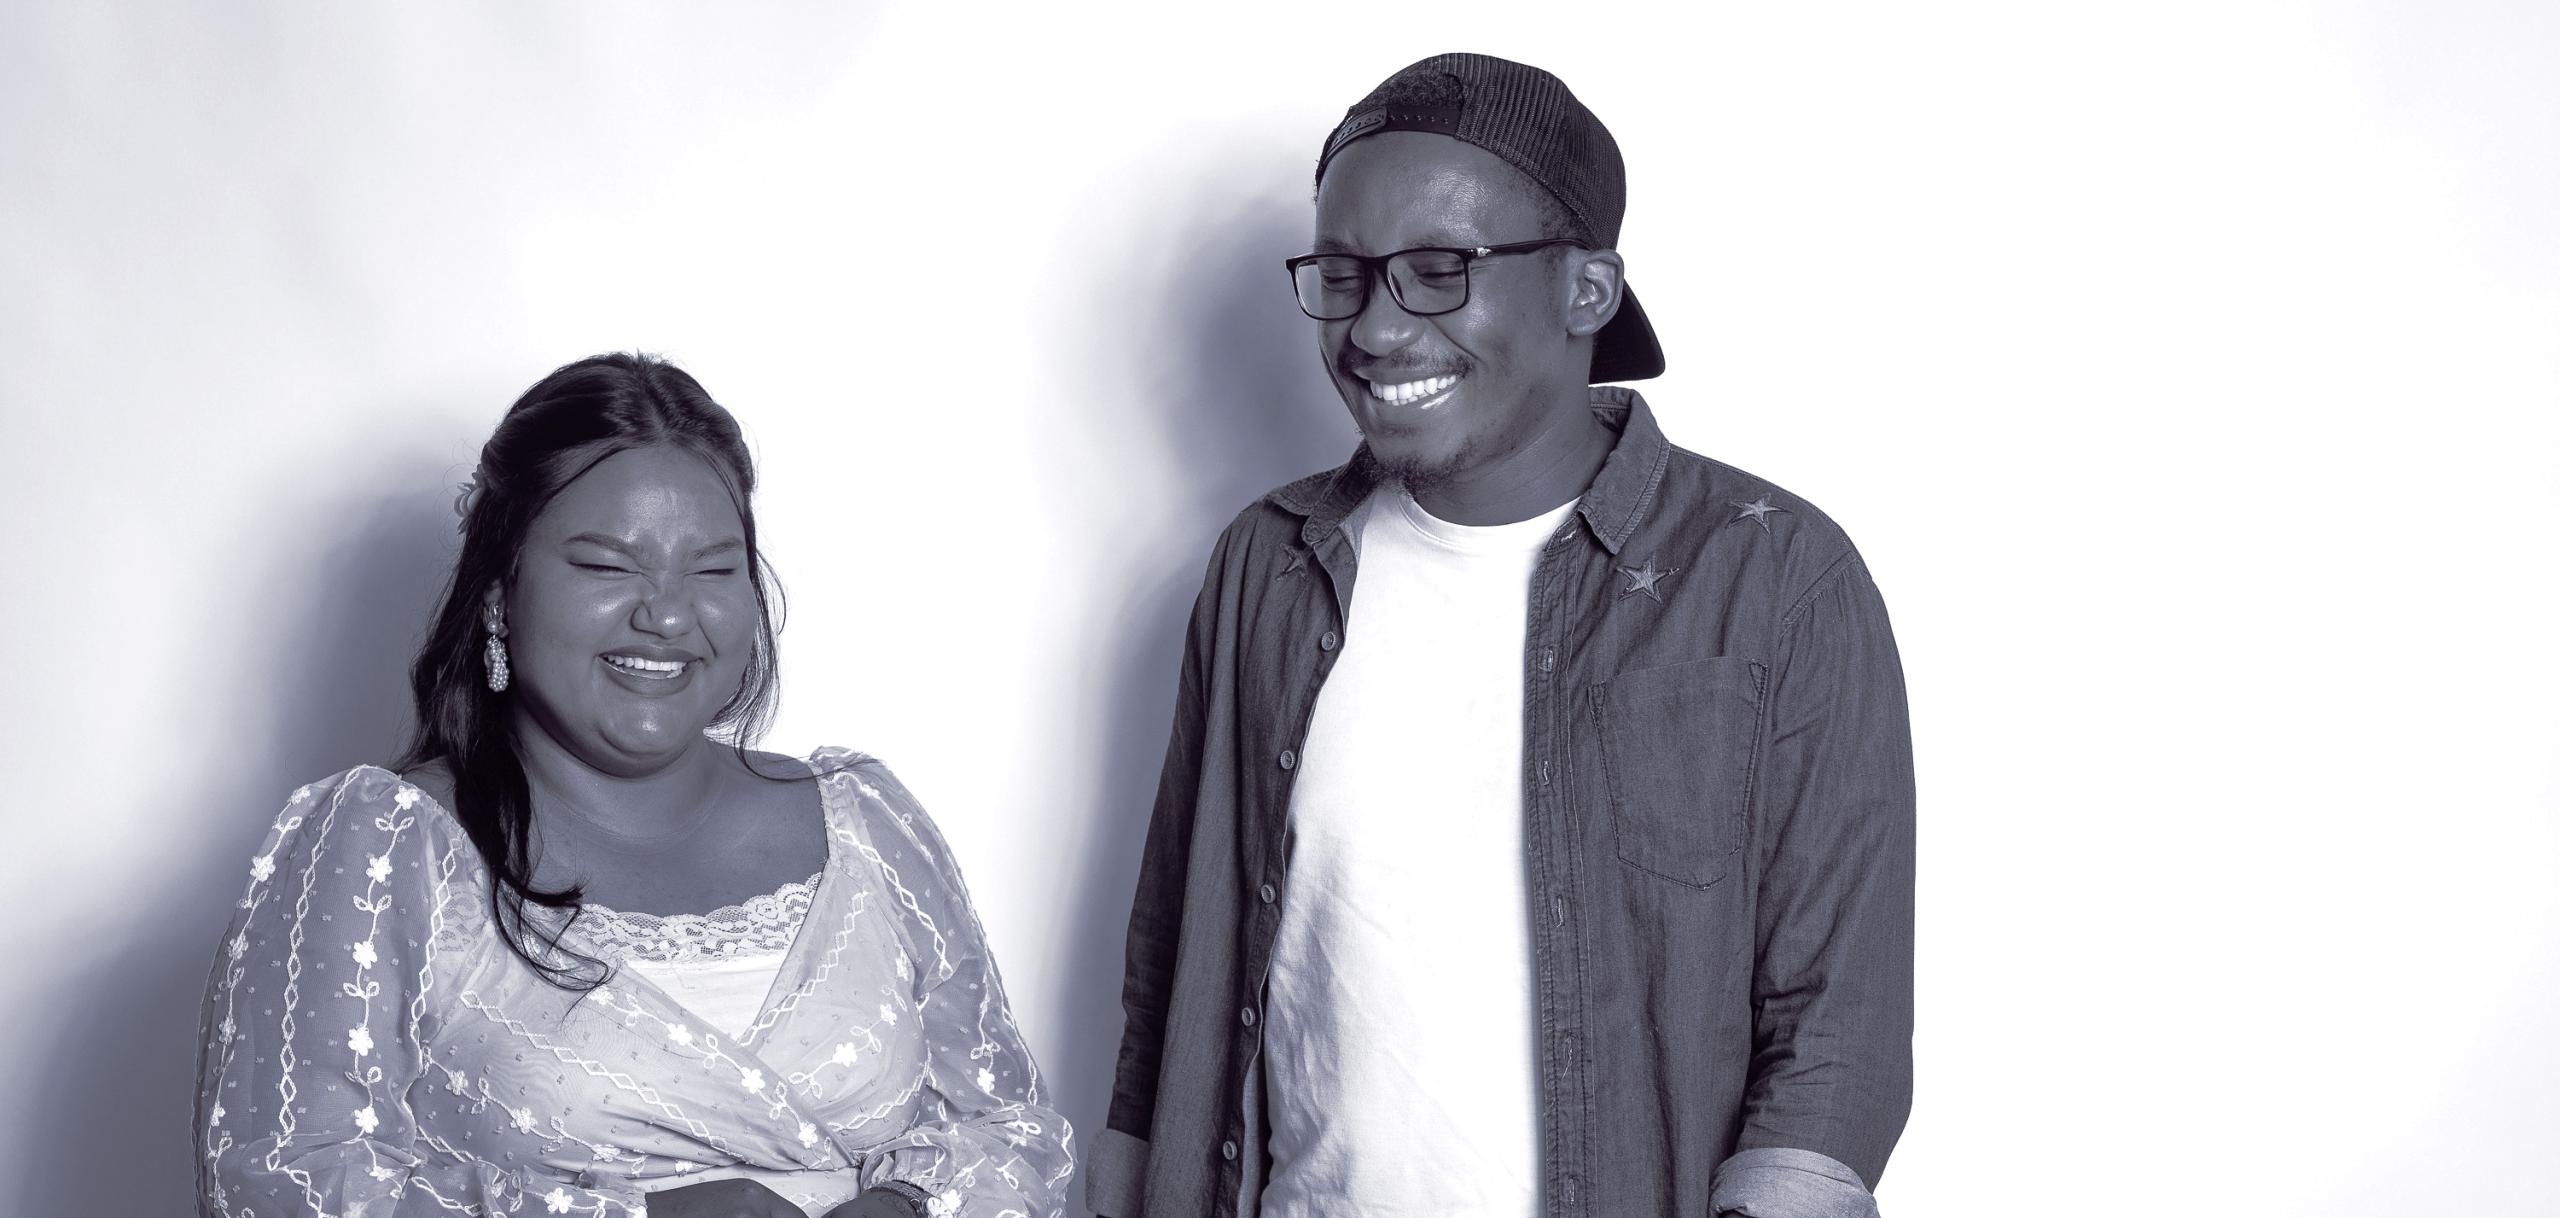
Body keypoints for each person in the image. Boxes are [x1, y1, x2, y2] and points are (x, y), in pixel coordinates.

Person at [1093, 54, 1916, 1218]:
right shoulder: (1264, 567)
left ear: (1588, 291)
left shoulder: (1770, 576)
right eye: (1343, 273)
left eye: (1438, 271)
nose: (1376, 328)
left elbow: (1837, 1031)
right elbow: (1175, 941)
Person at [194, 354, 1072, 1218]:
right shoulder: (386, 844)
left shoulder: (865, 822)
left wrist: (910, 1205)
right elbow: (281, 1183)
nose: (666, 612)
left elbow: (1013, 1132)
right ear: (500, 589)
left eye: (714, 570)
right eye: (608, 567)